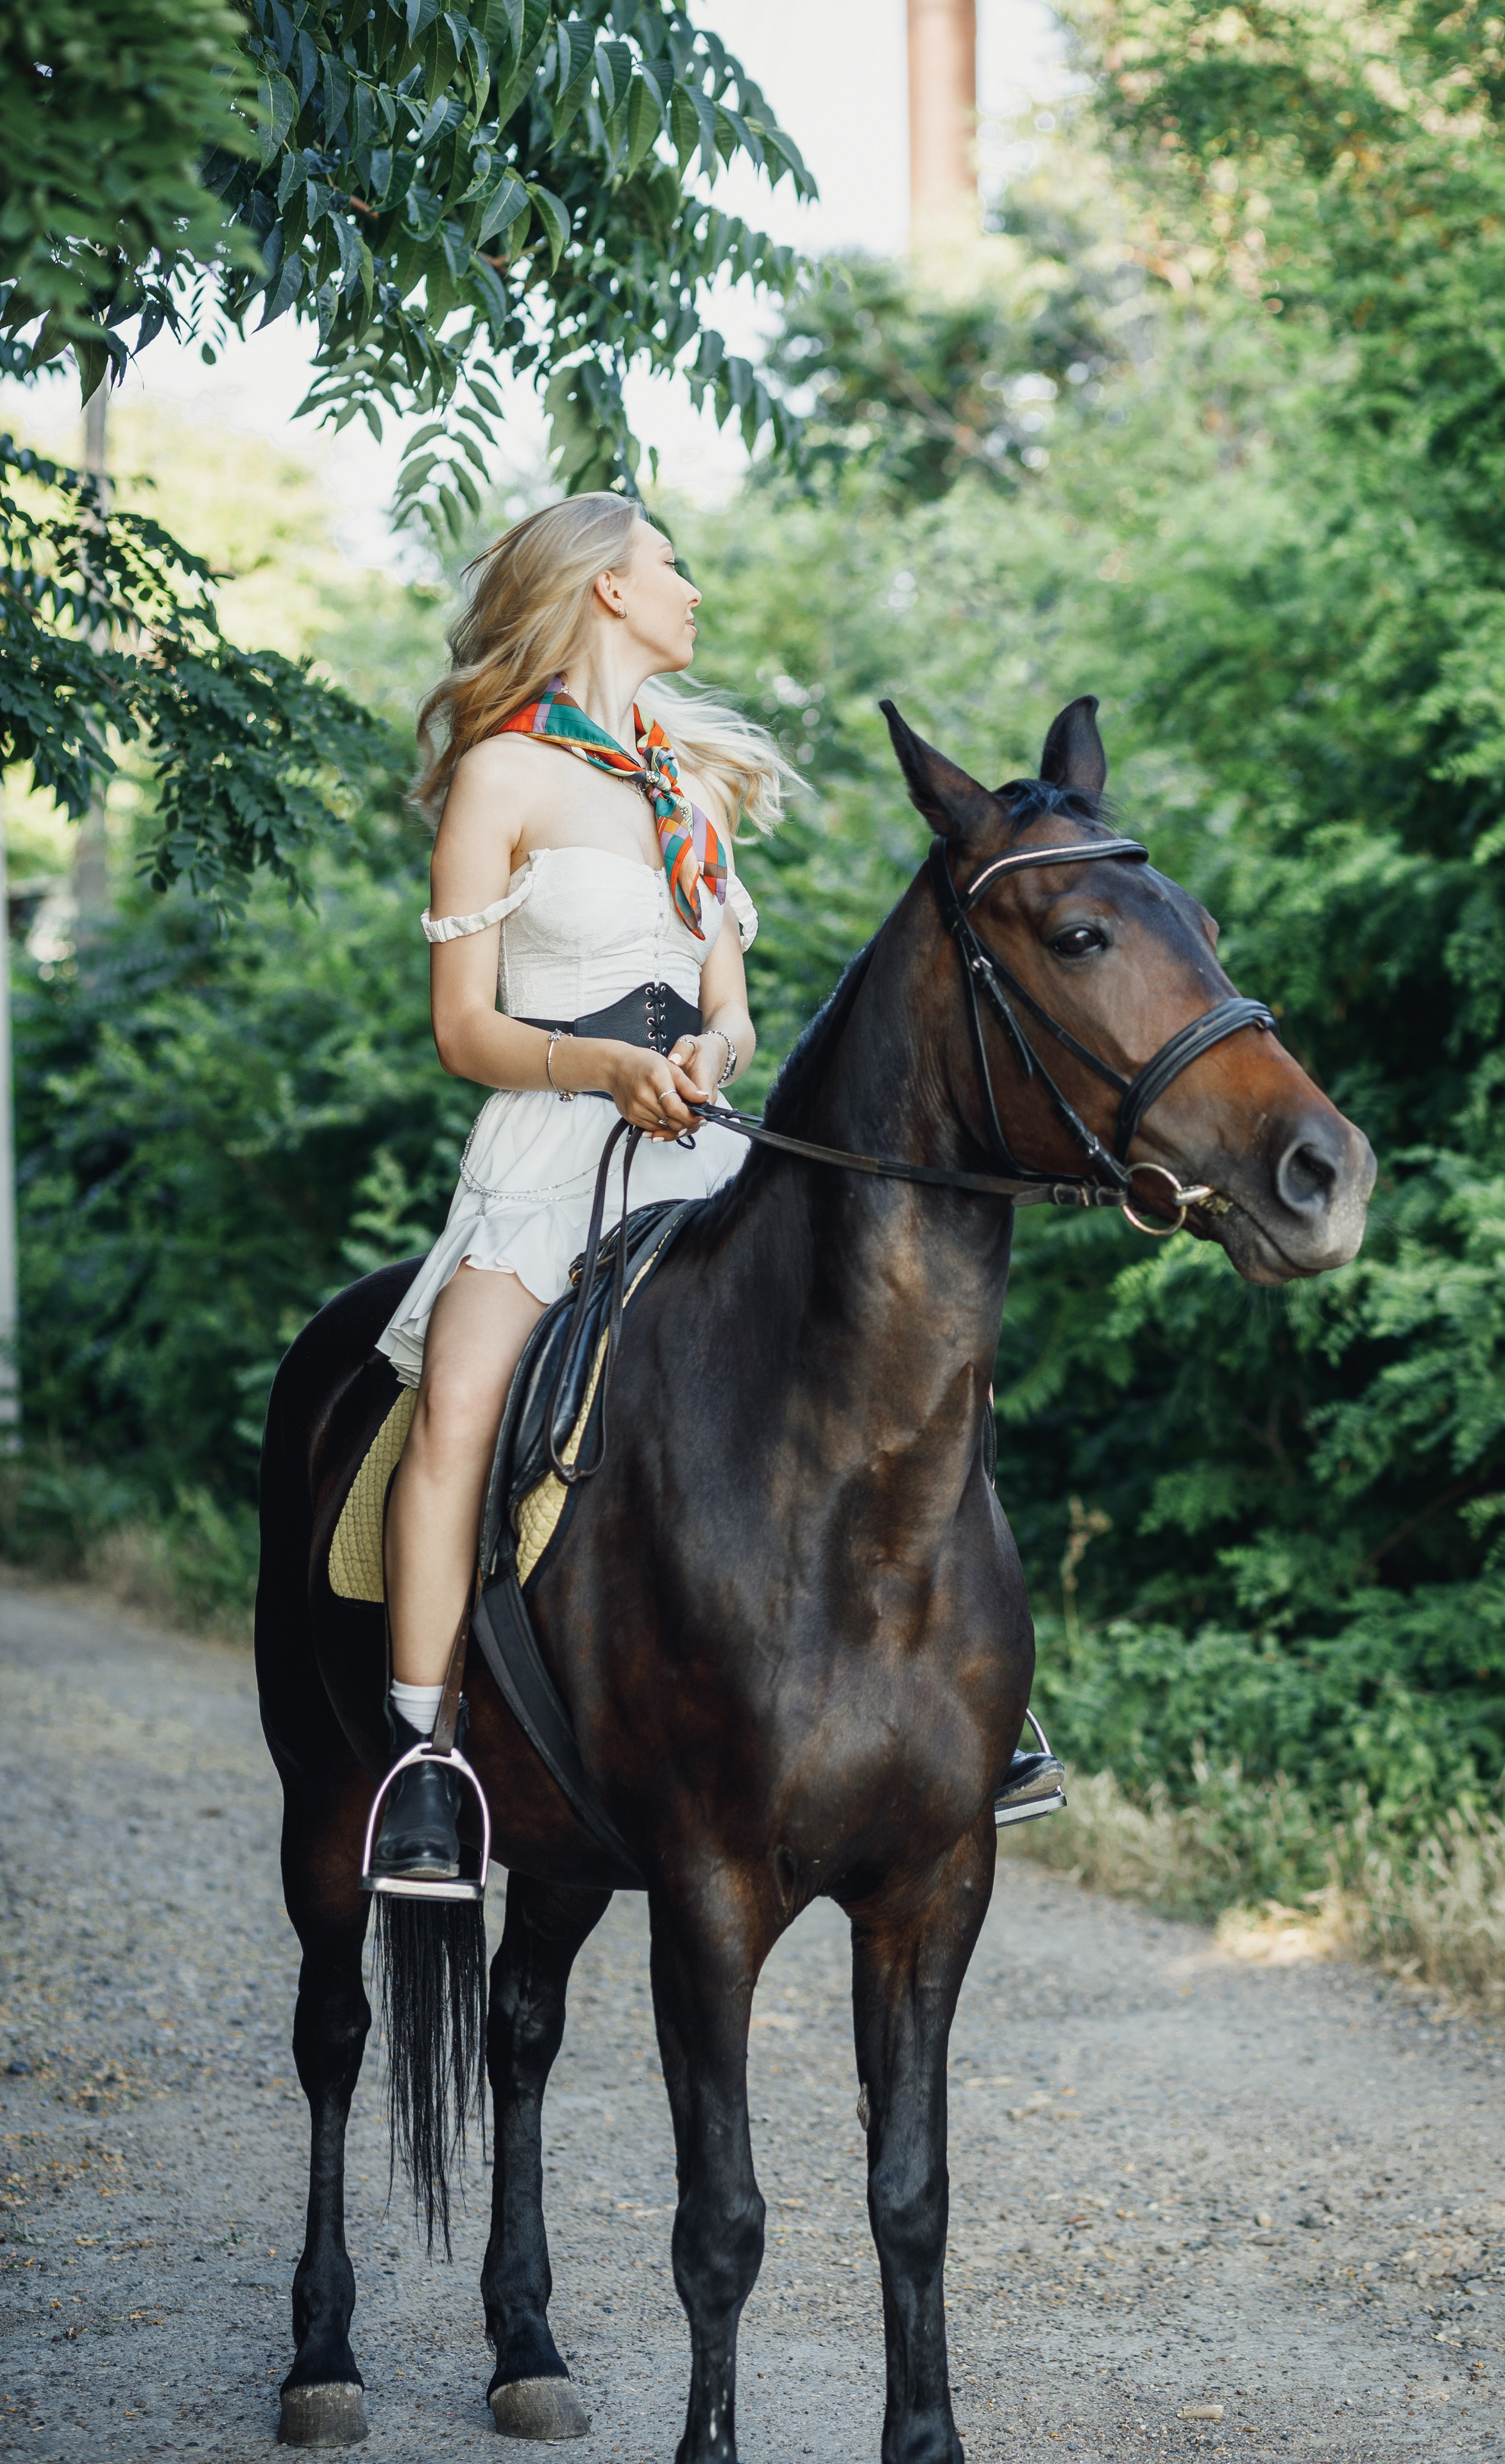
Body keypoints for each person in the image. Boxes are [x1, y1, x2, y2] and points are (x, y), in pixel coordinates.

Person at [368, 490, 1060, 1883]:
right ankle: (426, 1757)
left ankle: (979, 1694)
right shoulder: (505, 778)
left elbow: (732, 1005)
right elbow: (461, 1031)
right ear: (605, 592)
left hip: (707, 1141)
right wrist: (604, 1069)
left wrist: (711, 1047)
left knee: (894, 1369)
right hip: (556, 1141)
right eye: (670, 569)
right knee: (454, 1405)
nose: (693, 591)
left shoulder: (684, 786)